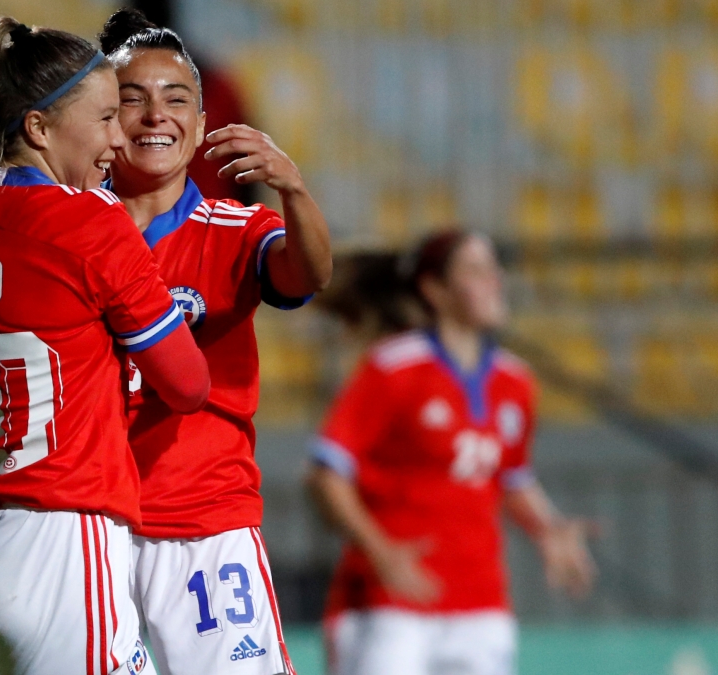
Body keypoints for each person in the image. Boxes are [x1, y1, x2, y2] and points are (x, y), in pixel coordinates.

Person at [0, 17, 210, 675]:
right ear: (40, 129)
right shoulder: (87, 220)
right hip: (63, 531)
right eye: (104, 116)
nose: (118, 136)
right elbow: (188, 383)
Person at [98, 9, 330, 675]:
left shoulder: (237, 228)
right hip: (93, 527)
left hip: (205, 528)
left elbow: (305, 273)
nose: (155, 116)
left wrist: (293, 189)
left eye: (176, 100)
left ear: (200, 126)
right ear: (105, 120)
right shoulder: (71, 229)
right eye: (131, 100)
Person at [306, 230, 597, 675]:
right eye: (476, 270)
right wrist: (380, 551)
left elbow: (511, 477)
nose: (496, 280)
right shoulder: (394, 368)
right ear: (435, 290)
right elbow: (328, 474)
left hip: (480, 605)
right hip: (390, 604)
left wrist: (548, 530)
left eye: (494, 268)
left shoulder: (515, 382)